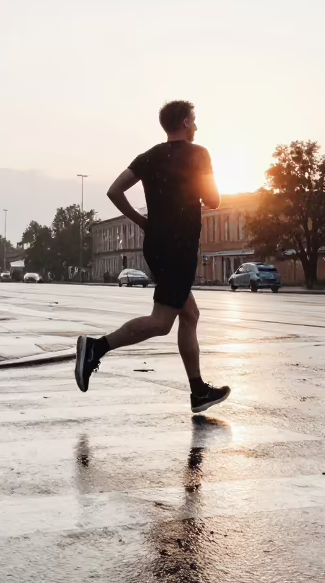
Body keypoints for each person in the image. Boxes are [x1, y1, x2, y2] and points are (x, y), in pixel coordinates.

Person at [75, 100, 231, 413]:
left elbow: (115, 190)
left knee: (189, 314)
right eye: (195, 121)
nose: (197, 127)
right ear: (186, 122)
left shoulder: (149, 156)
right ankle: (95, 348)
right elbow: (213, 200)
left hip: (157, 244)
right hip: (180, 247)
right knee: (162, 322)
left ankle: (198, 391)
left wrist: (142, 221)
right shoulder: (199, 154)